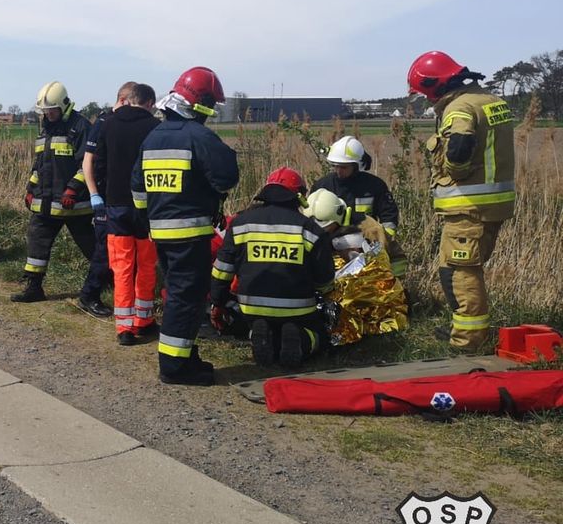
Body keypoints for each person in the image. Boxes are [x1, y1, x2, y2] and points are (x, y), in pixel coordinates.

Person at [134, 67, 238, 385]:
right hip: (190, 234)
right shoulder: (199, 136)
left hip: (161, 234)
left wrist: (147, 221)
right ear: (200, 103)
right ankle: (174, 367)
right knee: (186, 298)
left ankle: (185, 355)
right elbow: (226, 177)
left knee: (179, 296)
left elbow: (138, 188)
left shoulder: (152, 137)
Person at [408, 51, 516, 353]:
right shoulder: (491, 101)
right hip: (492, 204)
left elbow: (459, 147)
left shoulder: (459, 108)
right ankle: (464, 330)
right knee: (457, 268)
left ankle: (468, 343)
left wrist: (454, 171)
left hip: (469, 206)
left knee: (461, 272)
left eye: (425, 92)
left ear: (436, 85)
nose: (426, 99)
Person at [211, 168, 335, 368]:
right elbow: (325, 279)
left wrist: (218, 302)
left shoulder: (241, 224)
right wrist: (321, 292)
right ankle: (302, 339)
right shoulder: (310, 229)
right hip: (298, 309)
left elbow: (222, 270)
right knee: (319, 334)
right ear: (299, 197)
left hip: (251, 306)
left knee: (249, 322)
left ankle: (257, 333)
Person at [11, 82, 107, 307]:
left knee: (91, 246)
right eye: (45, 111)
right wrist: (30, 188)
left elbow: (88, 163)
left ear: (64, 105)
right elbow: (40, 164)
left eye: (51, 110)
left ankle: (107, 281)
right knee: (36, 243)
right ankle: (34, 287)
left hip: (73, 205)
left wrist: (73, 188)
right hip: (45, 203)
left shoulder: (80, 126)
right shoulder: (46, 127)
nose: (48, 114)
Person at [93, 82, 161, 345]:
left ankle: (124, 328)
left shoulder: (108, 124)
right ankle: (144, 320)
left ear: (128, 99)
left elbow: (99, 163)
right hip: (147, 208)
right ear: (150, 103)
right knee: (145, 264)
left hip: (116, 205)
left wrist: (103, 193)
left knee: (121, 266)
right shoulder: (155, 128)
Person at [311, 136, 405, 277]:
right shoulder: (323, 186)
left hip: (367, 242)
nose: (338, 171)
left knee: (397, 257)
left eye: (343, 167)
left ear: (356, 166)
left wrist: (382, 241)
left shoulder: (375, 186)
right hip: (331, 243)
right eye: (335, 166)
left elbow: (389, 216)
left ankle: (393, 287)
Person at [302, 187, 407, 286]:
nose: (319, 231)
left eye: (325, 227)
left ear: (337, 217)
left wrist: (389, 282)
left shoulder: (368, 227)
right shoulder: (309, 228)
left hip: (374, 285)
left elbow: (387, 259)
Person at [78, 94, 121, 320]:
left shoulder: (118, 124)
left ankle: (110, 289)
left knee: (112, 249)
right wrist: (94, 194)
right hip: (103, 196)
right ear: (123, 100)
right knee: (104, 250)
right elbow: (88, 161)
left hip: (116, 197)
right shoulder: (104, 123)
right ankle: (89, 294)